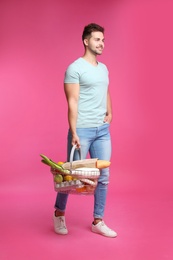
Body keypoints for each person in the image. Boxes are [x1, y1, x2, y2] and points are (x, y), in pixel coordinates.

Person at [53, 23, 117, 238]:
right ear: (86, 41)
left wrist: (110, 111)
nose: (102, 44)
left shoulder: (104, 68)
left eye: (103, 40)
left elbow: (105, 90)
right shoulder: (75, 68)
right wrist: (74, 132)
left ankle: (98, 220)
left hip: (102, 130)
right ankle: (59, 213)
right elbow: (72, 101)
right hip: (82, 129)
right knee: (73, 176)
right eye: (97, 39)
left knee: (104, 176)